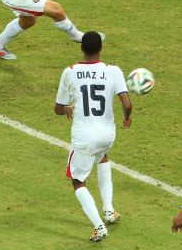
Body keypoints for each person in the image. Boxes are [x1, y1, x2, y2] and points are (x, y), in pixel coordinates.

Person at [54, 32, 132, 242]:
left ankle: (99, 226)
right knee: (102, 156)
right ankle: (109, 210)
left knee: (78, 181)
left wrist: (69, 108)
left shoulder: (70, 72)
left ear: (82, 48)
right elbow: (127, 104)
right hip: (107, 135)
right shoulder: (113, 71)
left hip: (84, 137)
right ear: (101, 48)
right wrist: (127, 118)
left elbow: (58, 109)